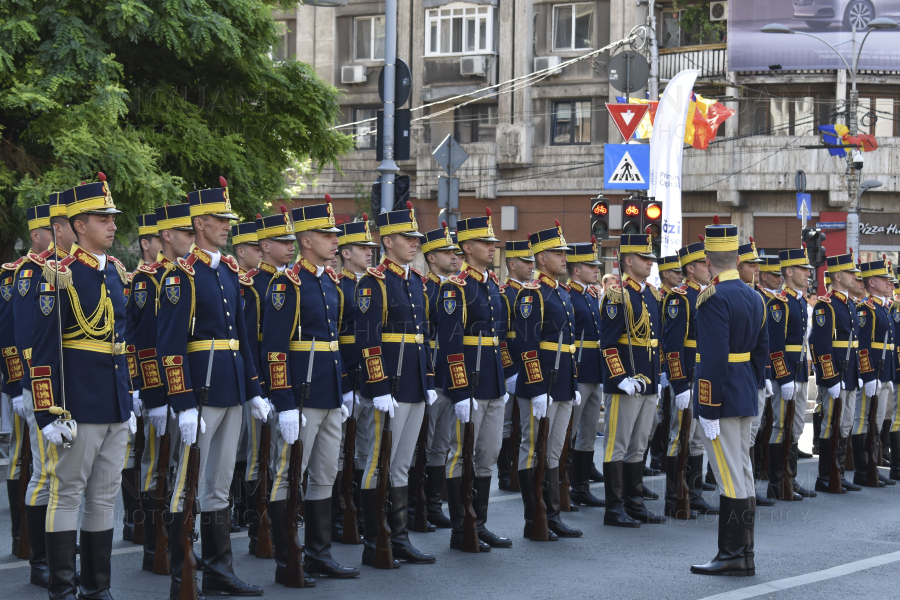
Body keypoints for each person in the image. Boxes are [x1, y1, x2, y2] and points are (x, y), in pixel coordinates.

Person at [157, 178, 266, 598]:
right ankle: (181, 575)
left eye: (228, 219)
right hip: (199, 391)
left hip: (232, 386)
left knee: (219, 483)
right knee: (186, 484)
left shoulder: (229, 271)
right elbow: (170, 345)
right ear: (199, 222)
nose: (227, 226)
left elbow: (243, 336)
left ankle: (220, 571)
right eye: (220, 219)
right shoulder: (181, 274)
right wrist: (182, 402)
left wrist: (254, 388)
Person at [30, 175, 136, 599]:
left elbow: (120, 340)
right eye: (101, 218)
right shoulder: (58, 274)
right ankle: (62, 589)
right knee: (68, 494)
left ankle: (98, 587)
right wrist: (47, 411)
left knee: (105, 497)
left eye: (112, 218)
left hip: (113, 401)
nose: (111, 225)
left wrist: (130, 395)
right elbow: (42, 351)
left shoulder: (113, 273)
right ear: (77, 225)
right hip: (75, 403)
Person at [261, 199, 360, 583]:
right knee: (288, 475)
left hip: (330, 394)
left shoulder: (330, 283)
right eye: (326, 234)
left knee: (324, 476)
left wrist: (346, 389)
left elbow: (337, 342)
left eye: (335, 234)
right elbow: (274, 348)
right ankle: (288, 559)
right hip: (301, 396)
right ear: (305, 240)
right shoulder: (287, 285)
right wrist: (284, 402)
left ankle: (319, 553)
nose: (334, 241)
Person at [355, 201, 437, 566]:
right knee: (378, 463)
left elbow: (424, 336)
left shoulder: (416, 282)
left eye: (417, 238)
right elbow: (367, 340)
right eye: (408, 237)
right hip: (390, 386)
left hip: (415, 385)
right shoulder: (374, 283)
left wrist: (430, 379)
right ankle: (375, 541)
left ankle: (398, 537)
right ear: (387, 240)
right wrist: (378, 386)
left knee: (402, 464)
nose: (415, 243)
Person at [689, 219, 767, 577]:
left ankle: (732, 554)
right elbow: (760, 353)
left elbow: (714, 358)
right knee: (743, 470)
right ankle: (745, 553)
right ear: (736, 257)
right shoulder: (754, 296)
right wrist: (752, 385)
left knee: (728, 474)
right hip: (745, 390)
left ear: (707, 260)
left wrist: (708, 406)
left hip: (720, 396)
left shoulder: (712, 297)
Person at [2, 200, 73, 587]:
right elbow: (17, 336)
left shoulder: (73, 269)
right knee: (43, 473)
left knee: (69, 476)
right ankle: (39, 558)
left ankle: (59, 545)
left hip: (71, 383)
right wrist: (19, 384)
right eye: (60, 227)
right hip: (40, 386)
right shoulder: (27, 272)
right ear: (43, 233)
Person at [438, 208, 511, 550]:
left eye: (492, 242)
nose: (492, 247)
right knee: (460, 454)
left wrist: (504, 380)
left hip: (492, 382)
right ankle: (461, 528)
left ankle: (478, 523)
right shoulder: (457, 287)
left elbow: (500, 337)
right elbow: (451, 344)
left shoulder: (490, 284)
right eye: (485, 242)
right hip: (469, 382)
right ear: (467, 248)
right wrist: (460, 389)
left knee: (488, 454)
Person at [133, 203, 195, 573]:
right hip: (160, 390)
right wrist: (153, 396)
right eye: (186, 233)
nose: (192, 238)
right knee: (156, 464)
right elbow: (143, 342)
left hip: (183, 385)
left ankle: (177, 541)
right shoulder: (149, 279)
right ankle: (152, 543)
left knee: (179, 468)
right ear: (167, 237)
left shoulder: (187, 275)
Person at [513, 222, 582, 539]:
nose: (564, 257)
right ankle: (534, 518)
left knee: (554, 451)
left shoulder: (561, 293)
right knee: (533, 450)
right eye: (558, 252)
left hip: (564, 384)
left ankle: (551, 515)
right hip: (542, 385)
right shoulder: (532, 295)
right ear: (541, 258)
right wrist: (537, 388)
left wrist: (574, 384)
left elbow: (567, 345)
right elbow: (528, 347)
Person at [598, 233, 664, 528]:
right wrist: (619, 377)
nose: (650, 263)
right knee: (618, 444)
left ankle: (634, 502)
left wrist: (657, 376)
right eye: (644, 258)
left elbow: (655, 341)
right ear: (628, 261)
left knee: (639, 443)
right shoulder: (617, 295)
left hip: (647, 381)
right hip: (625, 383)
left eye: (651, 258)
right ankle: (614, 508)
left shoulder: (651, 295)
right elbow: (608, 344)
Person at [662, 238, 718, 518]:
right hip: (687, 376)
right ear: (690, 268)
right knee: (679, 437)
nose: (708, 267)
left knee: (696, 439)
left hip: (702, 375)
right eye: (703, 263)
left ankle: (693, 494)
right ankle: (674, 496)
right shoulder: (679, 297)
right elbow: (671, 347)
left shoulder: (706, 295)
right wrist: (679, 383)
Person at [335, 214, 379, 542]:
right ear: (345, 253)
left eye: (371, 247)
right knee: (339, 451)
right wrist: (344, 381)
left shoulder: (374, 285)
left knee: (366, 448)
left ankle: (362, 513)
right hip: (346, 377)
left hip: (369, 378)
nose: (369, 251)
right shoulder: (339, 287)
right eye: (362, 247)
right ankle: (339, 515)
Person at [765, 248, 816, 501]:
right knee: (780, 427)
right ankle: (777, 482)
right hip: (785, 374)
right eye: (803, 269)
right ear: (789, 271)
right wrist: (783, 378)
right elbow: (775, 346)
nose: (808, 273)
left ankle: (790, 478)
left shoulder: (798, 301)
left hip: (799, 372)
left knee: (795, 428)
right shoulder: (779, 303)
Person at [421, 221, 461, 530]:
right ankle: (418, 505)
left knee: (441, 444)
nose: (455, 257)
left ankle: (434, 504)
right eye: (448, 252)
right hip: (432, 377)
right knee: (423, 443)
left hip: (451, 378)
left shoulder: (456, 288)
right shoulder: (424, 288)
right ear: (431, 257)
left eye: (457, 252)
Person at [811, 253, 861, 493]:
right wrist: (830, 378)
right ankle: (826, 476)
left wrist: (859, 372)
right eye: (851, 273)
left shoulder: (849, 303)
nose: (855, 277)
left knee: (845, 424)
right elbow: (821, 345)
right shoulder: (826, 305)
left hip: (849, 374)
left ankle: (838, 473)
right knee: (831, 424)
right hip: (836, 376)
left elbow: (855, 343)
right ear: (838, 276)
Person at [564, 239, 605, 508]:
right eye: (591, 266)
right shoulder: (569, 295)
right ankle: (563, 483)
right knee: (568, 431)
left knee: (589, 431)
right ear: (576, 269)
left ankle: (580, 485)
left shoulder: (590, 295)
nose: (597, 270)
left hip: (594, 370)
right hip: (578, 370)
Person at [736, 239, 775, 506]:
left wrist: (766, 376)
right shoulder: (729, 294)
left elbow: (766, 343)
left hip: (757, 376)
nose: (757, 269)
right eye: (751, 264)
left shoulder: (759, 295)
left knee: (751, 433)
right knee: (739, 436)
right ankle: (739, 488)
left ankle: (746, 486)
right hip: (740, 375)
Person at [229, 218, 261, 536]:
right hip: (232, 373)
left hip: (248, 375)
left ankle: (244, 509)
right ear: (240, 251)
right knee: (236, 448)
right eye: (255, 247)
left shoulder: (256, 283)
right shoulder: (236, 283)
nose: (260, 252)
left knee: (247, 447)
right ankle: (232, 507)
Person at [853, 258, 897, 487]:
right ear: (872, 282)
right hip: (873, 374)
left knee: (877, 422)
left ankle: (872, 465)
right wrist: (868, 375)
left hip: (884, 373)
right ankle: (863, 469)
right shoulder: (866, 310)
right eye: (885, 279)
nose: (891, 283)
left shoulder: (883, 308)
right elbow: (862, 346)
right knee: (863, 422)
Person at [498, 240, 534, 490]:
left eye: (533, 261)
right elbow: (499, 340)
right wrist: (510, 371)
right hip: (511, 369)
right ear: (512, 264)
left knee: (526, 423)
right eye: (527, 261)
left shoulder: (534, 293)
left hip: (530, 368)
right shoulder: (504, 294)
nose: (532, 266)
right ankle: (505, 473)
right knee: (507, 423)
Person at [648, 255, 683, 477]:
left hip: (669, 364)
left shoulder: (677, 297)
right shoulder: (659, 297)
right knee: (660, 415)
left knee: (668, 413)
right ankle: (657, 457)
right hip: (661, 363)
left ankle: (662, 458)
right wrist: (662, 367)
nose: (680, 275)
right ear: (665, 274)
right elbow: (660, 336)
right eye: (675, 272)